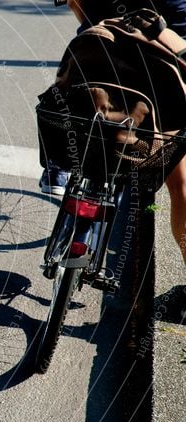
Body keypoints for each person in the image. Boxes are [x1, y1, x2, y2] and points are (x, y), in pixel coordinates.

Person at [41, 0, 186, 268]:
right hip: (163, 60)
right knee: (178, 187)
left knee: (82, 111)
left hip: (103, 52)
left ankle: (57, 165)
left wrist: (93, 22)